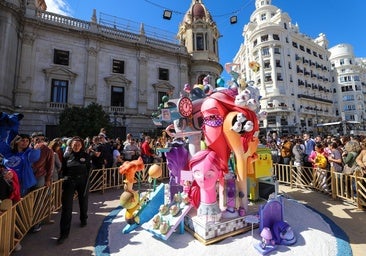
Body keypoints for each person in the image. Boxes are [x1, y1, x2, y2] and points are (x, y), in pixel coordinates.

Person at [57, 136, 91, 245]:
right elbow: (63, 170)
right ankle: (63, 234)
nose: (76, 146)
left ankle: (83, 218)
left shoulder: (86, 156)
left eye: (78, 145)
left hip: (83, 182)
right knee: (67, 207)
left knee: (83, 202)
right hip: (69, 182)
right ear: (71, 145)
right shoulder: (67, 156)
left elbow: (90, 168)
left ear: (81, 146)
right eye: (74, 145)